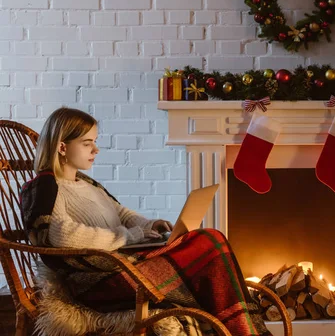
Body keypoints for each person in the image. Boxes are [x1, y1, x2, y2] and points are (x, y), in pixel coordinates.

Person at [21, 107, 272, 336]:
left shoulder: (88, 185)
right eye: (87, 143)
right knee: (210, 241)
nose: (95, 150)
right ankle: (246, 331)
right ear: (62, 147)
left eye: (95, 142)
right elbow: (58, 233)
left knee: (206, 241)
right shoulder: (44, 187)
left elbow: (122, 213)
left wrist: (149, 226)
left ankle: (240, 329)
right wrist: (129, 237)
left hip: (122, 266)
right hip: (97, 281)